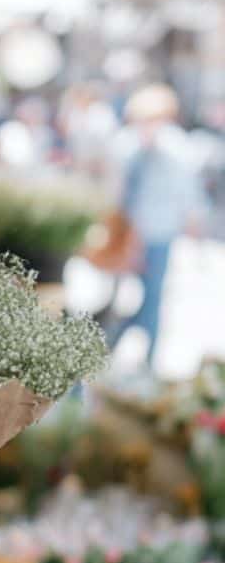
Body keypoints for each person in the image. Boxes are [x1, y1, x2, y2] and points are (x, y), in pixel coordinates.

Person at [104, 82, 208, 370]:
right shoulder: (126, 145)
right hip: (126, 232)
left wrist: (195, 229)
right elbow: (115, 189)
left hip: (158, 233)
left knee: (152, 297)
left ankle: (139, 357)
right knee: (119, 295)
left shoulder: (176, 148)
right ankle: (109, 345)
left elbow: (189, 194)